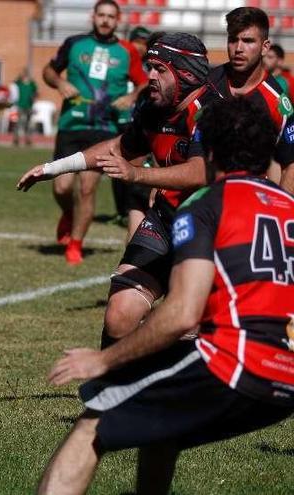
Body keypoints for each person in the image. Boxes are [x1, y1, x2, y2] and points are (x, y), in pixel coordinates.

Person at [37, 96, 294, 495]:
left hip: (237, 364)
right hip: (287, 374)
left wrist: (103, 359)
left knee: (94, 421)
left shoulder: (206, 205)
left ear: (208, 148)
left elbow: (181, 314)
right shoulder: (288, 205)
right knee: (161, 426)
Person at [18, 32, 216, 350]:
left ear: (186, 74)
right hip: (167, 218)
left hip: (212, 229)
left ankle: (184, 391)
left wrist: (136, 174)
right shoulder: (154, 108)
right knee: (120, 312)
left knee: (187, 324)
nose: (149, 76)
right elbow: (118, 147)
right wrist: (53, 168)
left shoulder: (212, 111)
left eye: (159, 69)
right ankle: (109, 392)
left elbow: (199, 172)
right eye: (149, 67)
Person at [43, 0, 147, 264]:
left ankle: (75, 245)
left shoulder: (127, 51)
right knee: (62, 186)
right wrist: (60, 82)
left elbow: (144, 82)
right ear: (93, 16)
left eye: (111, 16)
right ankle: (69, 214)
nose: (105, 20)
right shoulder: (74, 44)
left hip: (104, 130)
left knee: (88, 188)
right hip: (71, 125)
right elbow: (48, 71)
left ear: (118, 20)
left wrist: (132, 96)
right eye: (101, 15)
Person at [202, 8, 294, 198]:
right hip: (199, 197)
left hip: (247, 203)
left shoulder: (276, 102)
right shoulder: (206, 84)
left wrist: (281, 209)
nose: (238, 48)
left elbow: (291, 164)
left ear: (265, 47)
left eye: (248, 41)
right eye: (233, 40)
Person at [110, 26, 152, 239]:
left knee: (137, 165)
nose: (141, 47)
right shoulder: (122, 60)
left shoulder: (150, 67)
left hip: (138, 121)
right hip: (118, 120)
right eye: (138, 42)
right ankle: (122, 210)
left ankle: (135, 209)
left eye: (145, 43)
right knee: (118, 166)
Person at [12, 68, 38, 146]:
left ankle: (28, 139)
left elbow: (36, 92)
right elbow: (15, 81)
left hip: (29, 106)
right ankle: (16, 139)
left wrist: (33, 97)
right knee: (19, 123)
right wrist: (20, 76)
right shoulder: (20, 83)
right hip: (20, 105)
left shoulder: (32, 84)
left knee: (28, 124)